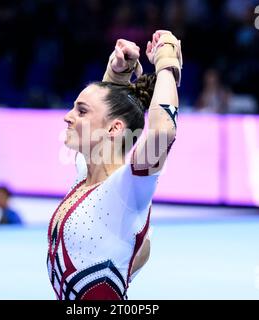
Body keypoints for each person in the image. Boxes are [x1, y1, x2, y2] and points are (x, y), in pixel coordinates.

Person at [47, 30, 182, 300]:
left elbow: (162, 132)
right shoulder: (86, 178)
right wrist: (118, 74)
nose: (67, 117)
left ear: (115, 128)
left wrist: (167, 66)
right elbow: (109, 118)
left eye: (81, 111)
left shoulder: (126, 189)